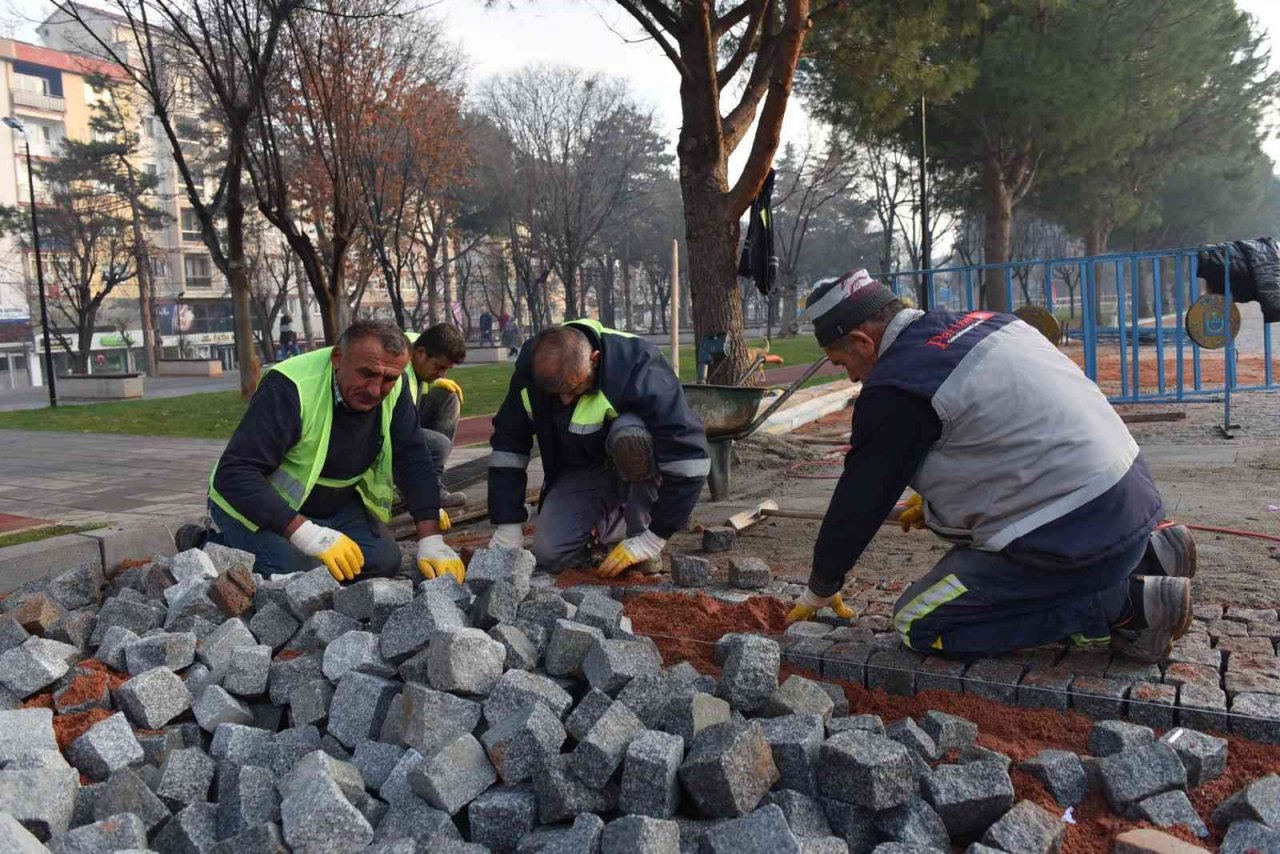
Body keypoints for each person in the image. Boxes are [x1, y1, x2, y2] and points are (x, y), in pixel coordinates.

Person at [785, 269, 1196, 664]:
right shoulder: (984, 323)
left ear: (862, 341)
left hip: (1079, 533)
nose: (853, 378)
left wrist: (821, 588)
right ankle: (1153, 554)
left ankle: (1123, 606)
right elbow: (1003, 437)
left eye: (843, 364)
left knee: (918, 622)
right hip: (1132, 500)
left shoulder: (895, 388)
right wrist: (936, 506)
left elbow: (859, 504)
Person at [179, 319, 464, 584]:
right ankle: (204, 542)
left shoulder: (395, 384)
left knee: (383, 562)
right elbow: (235, 474)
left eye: (388, 379)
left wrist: (431, 541)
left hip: (333, 505)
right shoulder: (290, 388)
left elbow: (413, 458)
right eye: (367, 374)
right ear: (338, 358)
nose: (376, 390)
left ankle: (298, 553)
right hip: (257, 506)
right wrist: (306, 534)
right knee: (291, 573)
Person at [487, 319, 710, 577]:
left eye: (573, 388)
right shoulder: (532, 372)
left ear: (594, 359)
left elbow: (689, 458)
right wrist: (508, 523)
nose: (565, 399)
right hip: (583, 469)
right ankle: (611, 524)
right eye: (556, 392)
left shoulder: (637, 364)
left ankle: (639, 529)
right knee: (550, 554)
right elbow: (508, 446)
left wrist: (655, 536)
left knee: (632, 435)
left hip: (636, 469)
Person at [405, 323, 468, 507]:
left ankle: (433, 484)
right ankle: (422, 489)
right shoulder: (399, 373)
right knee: (438, 444)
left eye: (446, 369)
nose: (442, 374)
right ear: (420, 353)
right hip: (384, 431)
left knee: (448, 397)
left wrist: (435, 381)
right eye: (438, 367)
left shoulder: (416, 343)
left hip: (403, 418)